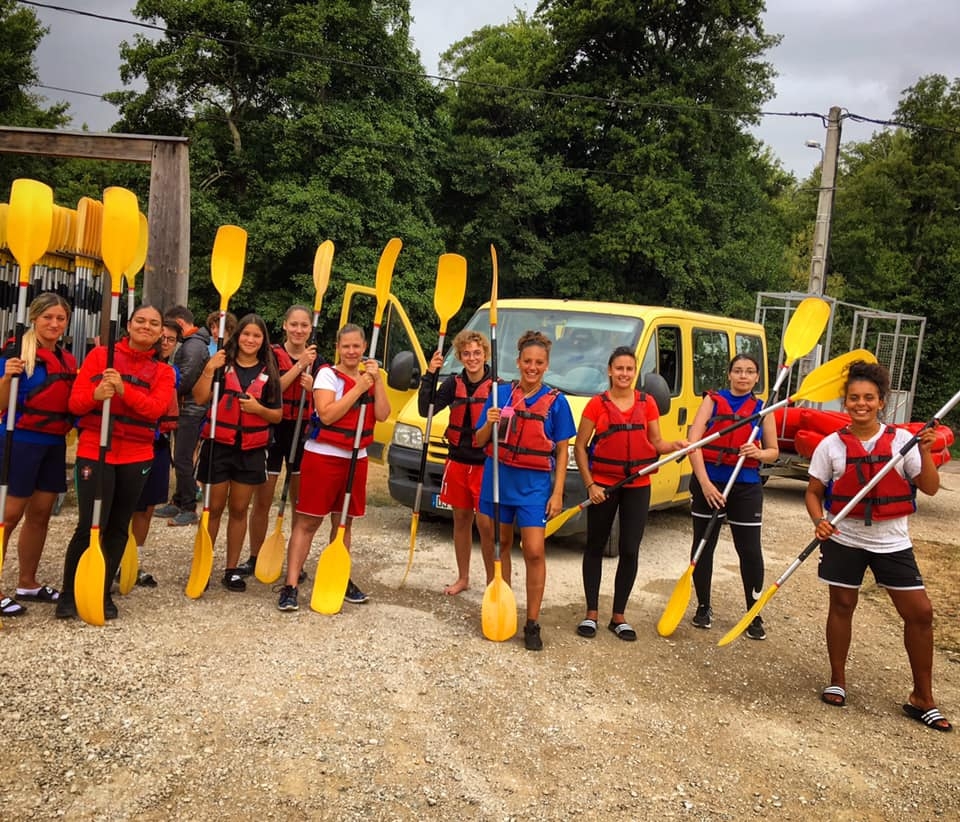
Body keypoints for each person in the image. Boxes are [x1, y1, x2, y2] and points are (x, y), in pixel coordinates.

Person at [805, 359, 950, 731]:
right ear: (845, 402)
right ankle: (837, 680)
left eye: (869, 397)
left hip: (892, 540)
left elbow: (930, 487)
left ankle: (923, 698)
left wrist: (929, 453)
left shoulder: (903, 442)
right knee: (842, 605)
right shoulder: (830, 446)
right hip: (845, 537)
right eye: (854, 398)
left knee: (920, 612)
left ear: (881, 400)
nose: (861, 404)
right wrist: (819, 520)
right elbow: (814, 492)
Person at [56, 305, 176, 620]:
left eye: (154, 323)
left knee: (119, 526)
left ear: (160, 332)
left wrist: (125, 390)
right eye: (140, 321)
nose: (146, 327)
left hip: (137, 454)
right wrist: (97, 394)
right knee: (92, 524)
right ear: (128, 324)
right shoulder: (100, 358)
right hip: (97, 449)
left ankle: (102, 590)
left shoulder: (164, 371)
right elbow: (75, 403)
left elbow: (154, 409)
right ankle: (69, 593)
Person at [573, 346, 687, 641]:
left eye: (629, 369)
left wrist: (673, 446)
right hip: (604, 485)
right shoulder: (596, 405)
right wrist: (590, 484)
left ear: (634, 372)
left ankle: (619, 616)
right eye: (619, 368)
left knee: (630, 549)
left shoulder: (647, 403)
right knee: (595, 546)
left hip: (637, 484)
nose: (624, 374)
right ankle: (591, 613)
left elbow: (656, 442)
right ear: (609, 371)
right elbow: (580, 447)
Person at [474, 330, 577, 651]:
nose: (532, 367)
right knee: (498, 544)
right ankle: (500, 604)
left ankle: (532, 621)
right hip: (498, 480)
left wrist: (557, 492)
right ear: (518, 362)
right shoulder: (498, 394)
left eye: (539, 363)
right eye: (527, 361)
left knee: (534, 549)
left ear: (546, 365)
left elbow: (562, 451)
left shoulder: (557, 402)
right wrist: (489, 422)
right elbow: (478, 441)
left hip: (533, 487)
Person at [277, 323, 390, 612]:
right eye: (346, 346)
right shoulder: (327, 375)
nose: (352, 351)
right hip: (324, 456)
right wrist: (360, 388)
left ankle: (339, 577)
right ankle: (290, 585)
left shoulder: (371, 376)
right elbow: (327, 415)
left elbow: (382, 413)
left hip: (357, 456)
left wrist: (377, 383)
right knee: (309, 521)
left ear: (364, 347)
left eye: (356, 346)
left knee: (343, 523)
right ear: (338, 348)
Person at [687, 353, 779, 639]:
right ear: (729, 374)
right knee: (703, 546)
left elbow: (773, 452)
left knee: (750, 551)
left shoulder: (763, 409)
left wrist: (758, 452)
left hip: (746, 486)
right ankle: (703, 607)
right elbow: (694, 443)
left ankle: (753, 613)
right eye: (737, 370)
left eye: (749, 372)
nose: (743, 376)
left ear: (756, 377)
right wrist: (704, 484)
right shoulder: (712, 401)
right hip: (710, 482)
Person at [192, 314, 282, 592]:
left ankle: (231, 569)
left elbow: (277, 415)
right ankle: (203, 565)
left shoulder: (269, 372)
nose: (250, 340)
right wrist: (209, 369)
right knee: (213, 508)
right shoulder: (220, 365)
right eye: (246, 334)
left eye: (256, 336)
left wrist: (258, 410)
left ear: (263, 340)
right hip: (218, 446)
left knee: (240, 509)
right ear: (237, 336)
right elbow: (199, 397)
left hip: (250, 451)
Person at [0, 293, 76, 616]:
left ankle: (27, 582)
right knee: (9, 515)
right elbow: (2, 404)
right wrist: (7, 378)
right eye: (48, 318)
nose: (54, 324)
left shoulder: (68, 360)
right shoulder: (17, 354)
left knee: (41, 513)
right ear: (34, 318)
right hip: (20, 442)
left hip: (53, 444)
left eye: (60, 318)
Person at [241, 305, 319, 576]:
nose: (299, 330)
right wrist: (299, 366)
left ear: (310, 329)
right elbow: (273, 389)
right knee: (263, 499)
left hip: (302, 432)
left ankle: (294, 562)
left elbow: (324, 402)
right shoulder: (271, 355)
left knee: (300, 502)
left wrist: (313, 388)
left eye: (304, 326)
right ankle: (255, 556)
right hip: (274, 427)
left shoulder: (318, 361)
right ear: (285, 325)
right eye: (294, 325)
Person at [417, 329, 494, 595]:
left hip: (484, 464)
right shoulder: (453, 383)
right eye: (466, 354)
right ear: (460, 357)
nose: (472, 358)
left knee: (486, 524)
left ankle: (492, 582)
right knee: (461, 520)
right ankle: (463, 577)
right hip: (457, 461)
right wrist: (430, 374)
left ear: (485, 354)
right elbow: (425, 407)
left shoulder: (497, 385)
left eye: (477, 353)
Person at [128, 320, 181, 587]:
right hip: (133, 441)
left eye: (171, 340)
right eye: (163, 338)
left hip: (158, 443)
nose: (165, 344)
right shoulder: (134, 366)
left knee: (147, 507)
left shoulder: (171, 372)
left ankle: (133, 563)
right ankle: (110, 558)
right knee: (123, 505)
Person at [155, 306, 212, 527]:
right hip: (185, 407)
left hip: (191, 408)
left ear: (179, 323)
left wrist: (163, 392)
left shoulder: (194, 345)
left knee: (182, 458)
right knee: (179, 456)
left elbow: (185, 379)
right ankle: (179, 499)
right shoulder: (192, 344)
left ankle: (189, 506)